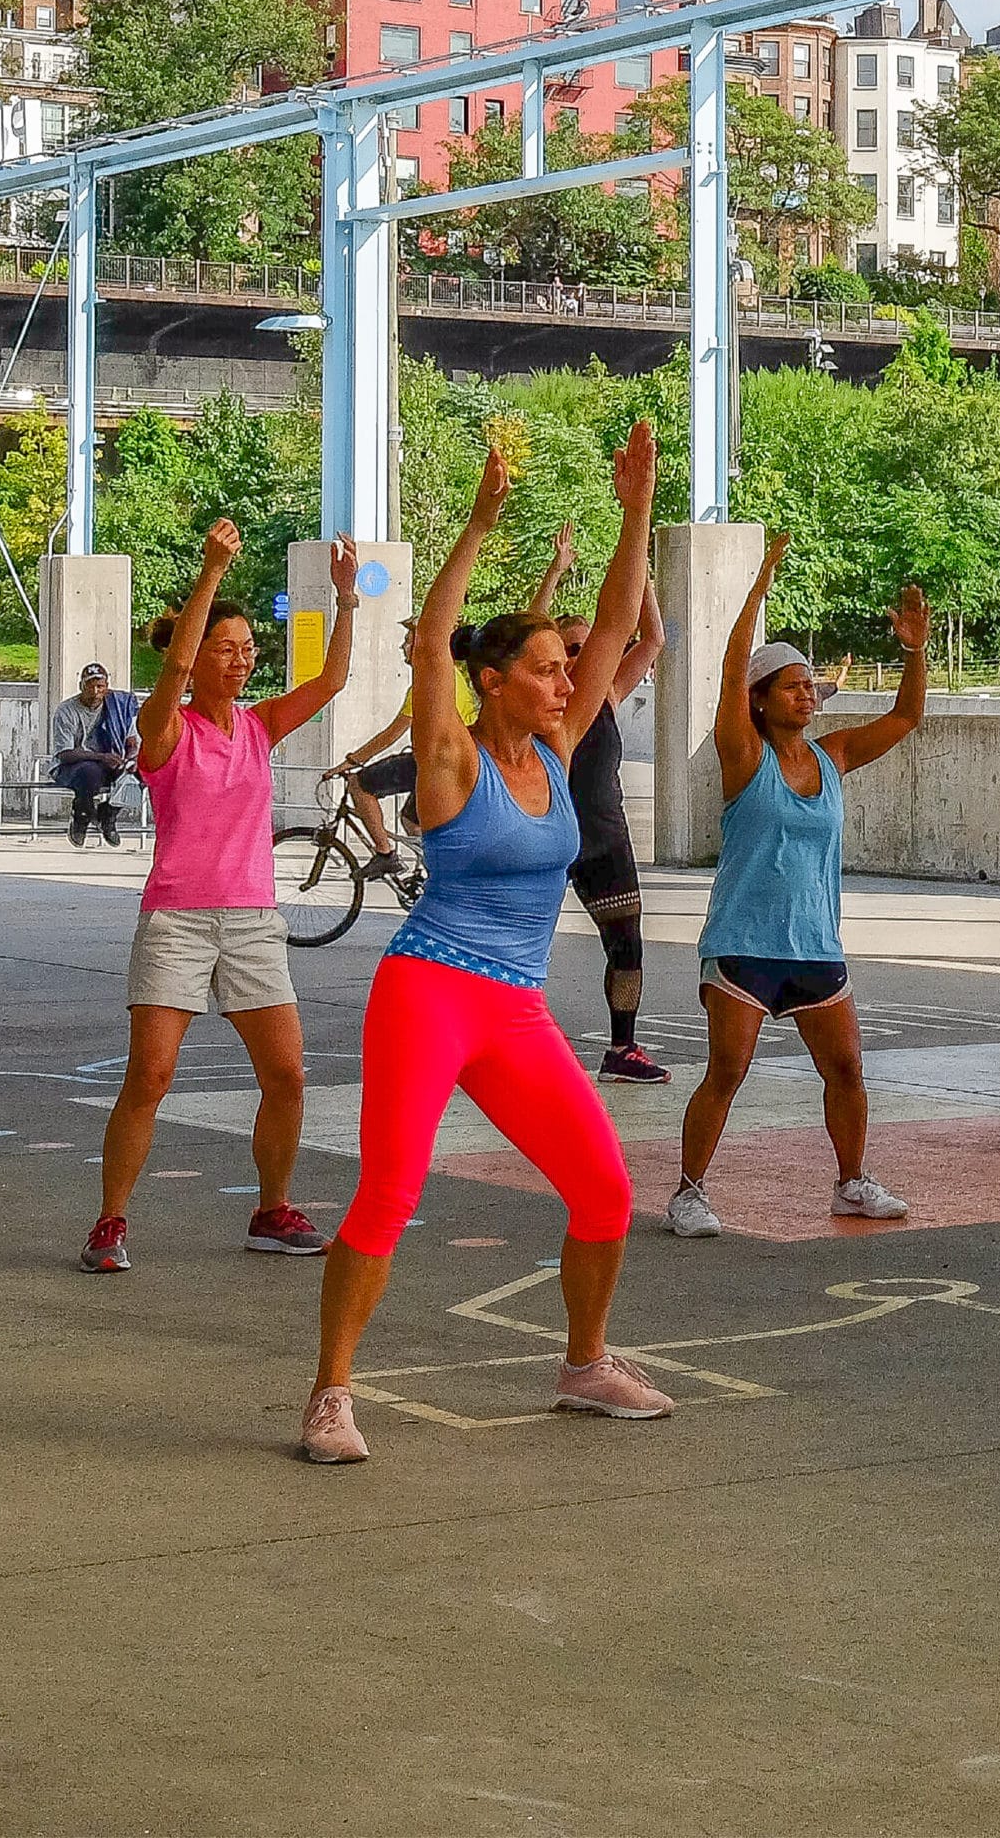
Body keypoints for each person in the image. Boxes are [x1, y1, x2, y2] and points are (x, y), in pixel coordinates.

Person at [301, 428, 670, 1465]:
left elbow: (610, 625)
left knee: (603, 1187)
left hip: (513, 1005)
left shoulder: (555, 747)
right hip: (428, 990)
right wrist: (476, 523)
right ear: (497, 679)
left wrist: (636, 506)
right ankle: (331, 1394)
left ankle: (585, 1364)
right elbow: (431, 647)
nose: (566, 683)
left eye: (565, 671)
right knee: (389, 1190)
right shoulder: (452, 756)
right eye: (545, 671)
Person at [79, 524, 360, 1275]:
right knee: (151, 1075)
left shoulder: (261, 726)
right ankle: (110, 1222)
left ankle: (272, 1210)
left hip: (253, 923)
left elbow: (332, 684)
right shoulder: (165, 729)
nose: (242, 661)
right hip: (177, 919)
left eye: (247, 650)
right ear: (198, 655)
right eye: (226, 648)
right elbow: (171, 666)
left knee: (289, 1075)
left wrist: (346, 601)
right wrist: (212, 569)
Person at [666, 533, 926, 1238]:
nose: (809, 692)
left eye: (812, 683)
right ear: (760, 701)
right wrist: (758, 587)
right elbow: (725, 679)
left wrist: (915, 650)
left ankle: (850, 1181)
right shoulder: (742, 753)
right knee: (727, 1070)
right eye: (793, 684)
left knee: (846, 1069)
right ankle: (689, 1192)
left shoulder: (833, 754)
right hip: (744, 943)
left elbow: (906, 719)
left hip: (814, 944)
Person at [532, 519, 669, 1085]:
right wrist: (555, 572)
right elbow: (527, 630)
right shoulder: (545, 705)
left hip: (605, 838)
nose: (581, 659)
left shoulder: (608, 694)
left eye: (588, 649)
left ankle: (623, 1046)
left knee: (627, 946)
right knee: (523, 945)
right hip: (545, 833)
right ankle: (501, 1042)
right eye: (569, 650)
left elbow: (651, 639)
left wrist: (644, 576)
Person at [332, 617, 478, 879]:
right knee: (413, 821)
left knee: (359, 784)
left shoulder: (432, 681)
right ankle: (433, 870)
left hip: (437, 762)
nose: (402, 646)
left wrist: (353, 760)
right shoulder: (450, 677)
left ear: (423, 645)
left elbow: (392, 733)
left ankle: (385, 854)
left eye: (408, 640)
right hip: (451, 762)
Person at [51, 658, 140, 848]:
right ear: (80, 686)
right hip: (75, 766)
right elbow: (64, 754)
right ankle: (81, 818)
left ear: (106, 687)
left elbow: (131, 741)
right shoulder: (67, 710)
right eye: (89, 686)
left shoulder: (118, 705)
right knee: (90, 772)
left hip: (111, 761)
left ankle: (108, 814)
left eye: (100, 686)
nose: (95, 692)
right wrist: (100, 757)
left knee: (144, 770)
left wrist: (131, 758)